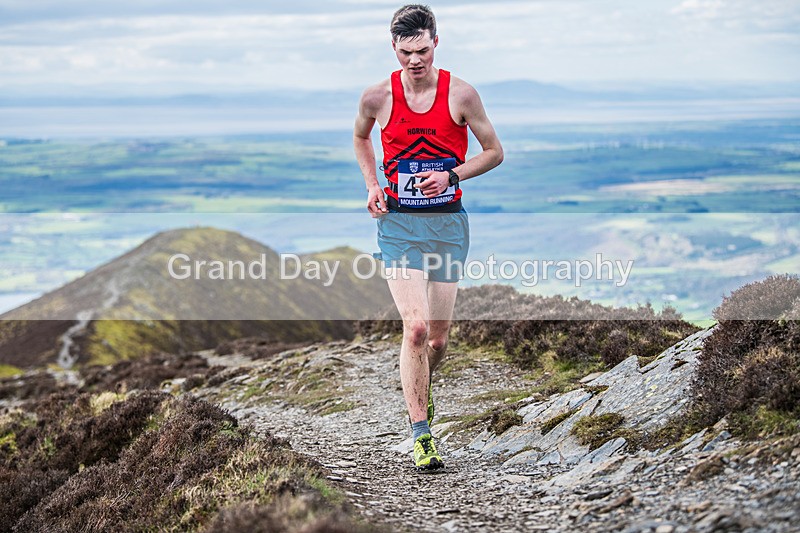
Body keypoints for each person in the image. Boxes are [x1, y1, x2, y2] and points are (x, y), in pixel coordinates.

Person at [353, 4, 503, 470]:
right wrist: (373, 185)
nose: (413, 61)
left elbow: (494, 152)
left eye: (421, 50)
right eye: (404, 53)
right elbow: (361, 139)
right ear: (392, 48)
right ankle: (422, 434)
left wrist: (452, 176)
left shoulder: (461, 95)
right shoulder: (377, 97)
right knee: (414, 328)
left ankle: (421, 385)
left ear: (435, 42)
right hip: (398, 226)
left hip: (447, 226)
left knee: (437, 340)